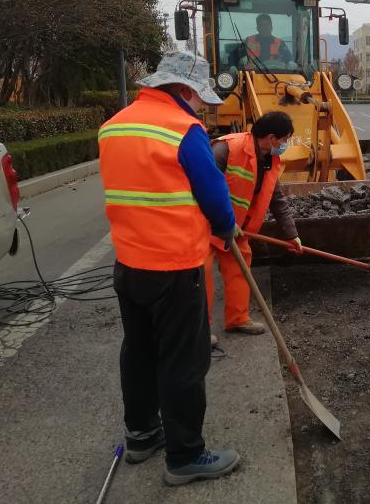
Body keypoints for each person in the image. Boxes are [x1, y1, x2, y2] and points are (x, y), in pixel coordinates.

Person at [98, 51, 241, 485]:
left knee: (138, 351)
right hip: (175, 267)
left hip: (129, 264)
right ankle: (186, 456)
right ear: (181, 90)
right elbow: (213, 192)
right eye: (198, 97)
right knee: (183, 360)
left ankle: (142, 435)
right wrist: (227, 226)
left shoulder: (114, 126)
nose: (200, 106)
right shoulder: (183, 129)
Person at [205, 112, 302, 344]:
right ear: (271, 138)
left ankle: (237, 319)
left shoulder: (269, 160)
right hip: (208, 225)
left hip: (238, 229)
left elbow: (277, 199)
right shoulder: (227, 149)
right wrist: (223, 220)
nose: (285, 145)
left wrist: (292, 235)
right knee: (202, 275)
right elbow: (204, 186)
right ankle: (199, 330)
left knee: (240, 269)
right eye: (285, 139)